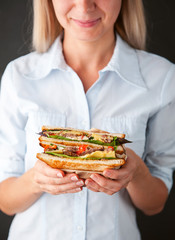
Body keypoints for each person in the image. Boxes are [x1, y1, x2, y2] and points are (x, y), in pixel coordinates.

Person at [0, 0, 175, 239]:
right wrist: (36, 180)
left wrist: (136, 172)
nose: (84, 6)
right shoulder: (19, 76)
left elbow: (155, 204)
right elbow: (5, 201)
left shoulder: (162, 78)